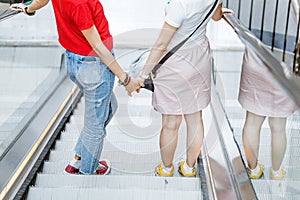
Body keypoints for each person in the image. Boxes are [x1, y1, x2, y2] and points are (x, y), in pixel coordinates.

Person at [11, 0, 142, 175]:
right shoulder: (79, 4)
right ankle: (88, 171)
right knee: (95, 123)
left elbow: (42, 0)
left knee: (110, 107)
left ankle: (79, 157)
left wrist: (28, 9)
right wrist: (126, 80)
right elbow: (98, 48)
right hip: (94, 65)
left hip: (75, 61)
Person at [137, 0, 228, 177]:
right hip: (199, 57)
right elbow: (216, 16)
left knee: (171, 122)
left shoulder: (179, 5)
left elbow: (161, 44)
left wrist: (142, 75)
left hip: (175, 62)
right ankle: (189, 167)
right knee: (195, 118)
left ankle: (166, 168)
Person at [239, 48, 298, 179]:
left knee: (253, 122)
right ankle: (276, 172)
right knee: (278, 127)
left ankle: (253, 170)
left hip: (255, 63)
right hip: (284, 65)